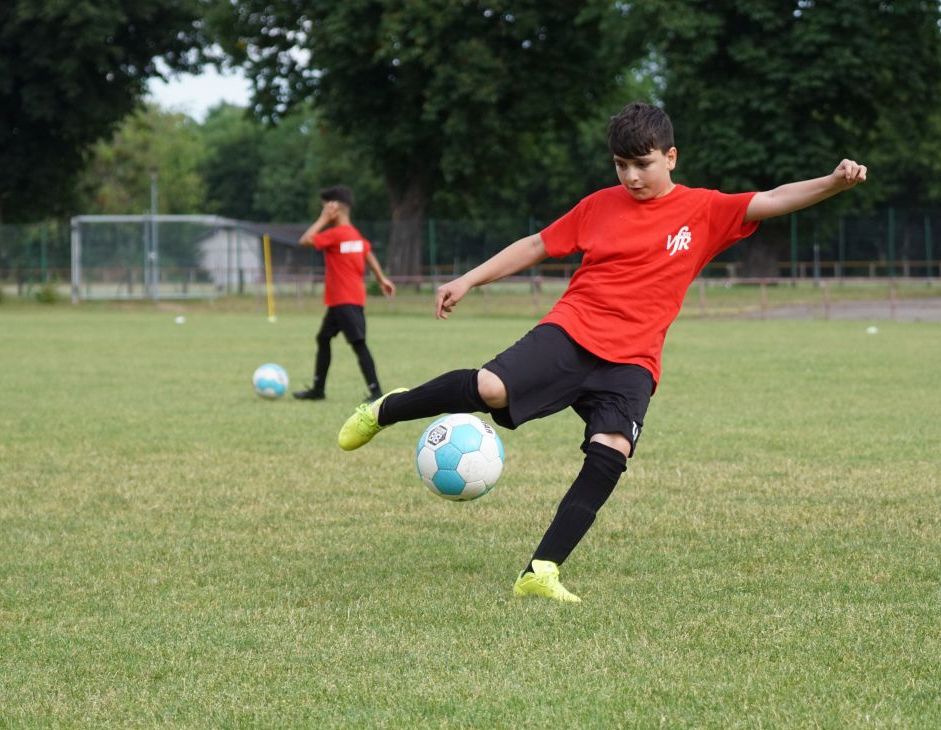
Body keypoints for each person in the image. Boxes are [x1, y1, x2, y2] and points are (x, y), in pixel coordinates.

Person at [337, 102, 867, 602]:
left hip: (634, 358)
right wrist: (468, 279)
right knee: (490, 387)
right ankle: (385, 409)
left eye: (643, 164)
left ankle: (540, 571)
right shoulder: (598, 205)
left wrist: (834, 182)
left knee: (612, 448)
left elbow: (773, 198)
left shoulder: (704, 209)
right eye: (621, 165)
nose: (631, 177)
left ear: (671, 157)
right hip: (573, 329)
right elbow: (536, 245)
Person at [295, 185, 396, 402]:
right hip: (343, 301)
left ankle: (376, 391)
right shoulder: (353, 235)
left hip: (345, 300)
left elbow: (305, 241)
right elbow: (368, 253)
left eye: (325, 208)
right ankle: (318, 389)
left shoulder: (335, 234)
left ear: (334, 209)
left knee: (358, 343)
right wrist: (381, 278)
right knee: (323, 338)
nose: (323, 211)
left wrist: (322, 219)